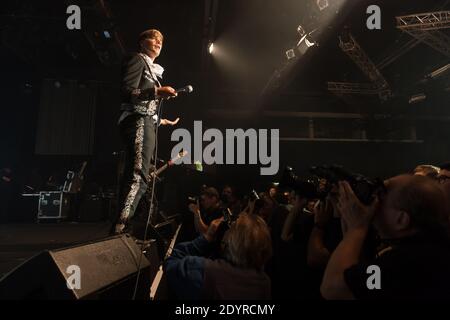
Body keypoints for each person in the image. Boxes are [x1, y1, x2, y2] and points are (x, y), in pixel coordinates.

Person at [321, 175, 450, 299]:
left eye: (380, 201)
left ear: (401, 219)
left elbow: (333, 288)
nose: (373, 208)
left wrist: (357, 227)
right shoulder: (435, 248)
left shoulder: (403, 263)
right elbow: (359, 273)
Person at [113, 29, 179, 234]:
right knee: (138, 176)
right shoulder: (136, 60)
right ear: (141, 42)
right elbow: (127, 92)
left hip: (145, 122)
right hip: (138, 123)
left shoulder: (151, 69)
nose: (158, 42)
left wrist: (161, 120)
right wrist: (157, 92)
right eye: (153, 38)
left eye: (161, 40)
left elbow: (144, 104)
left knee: (136, 176)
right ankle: (120, 229)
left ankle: (122, 227)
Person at [164, 213, 272, 299]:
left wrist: (207, 236)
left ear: (233, 239)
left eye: (231, 228)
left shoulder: (203, 269)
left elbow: (171, 263)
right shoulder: (264, 282)